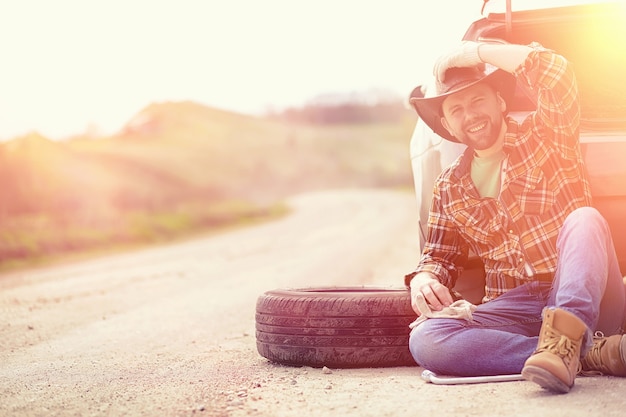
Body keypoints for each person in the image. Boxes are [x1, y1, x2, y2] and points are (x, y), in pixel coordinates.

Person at [406, 41, 626, 394]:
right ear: (447, 123)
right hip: (515, 309)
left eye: (478, 100)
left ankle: (571, 342)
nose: (471, 115)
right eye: (457, 109)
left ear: (500, 102)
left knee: (585, 219)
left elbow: (557, 76)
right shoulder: (449, 185)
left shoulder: (545, 138)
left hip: (585, 294)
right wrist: (423, 279)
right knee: (426, 340)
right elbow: (437, 256)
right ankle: (588, 354)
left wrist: (477, 52)